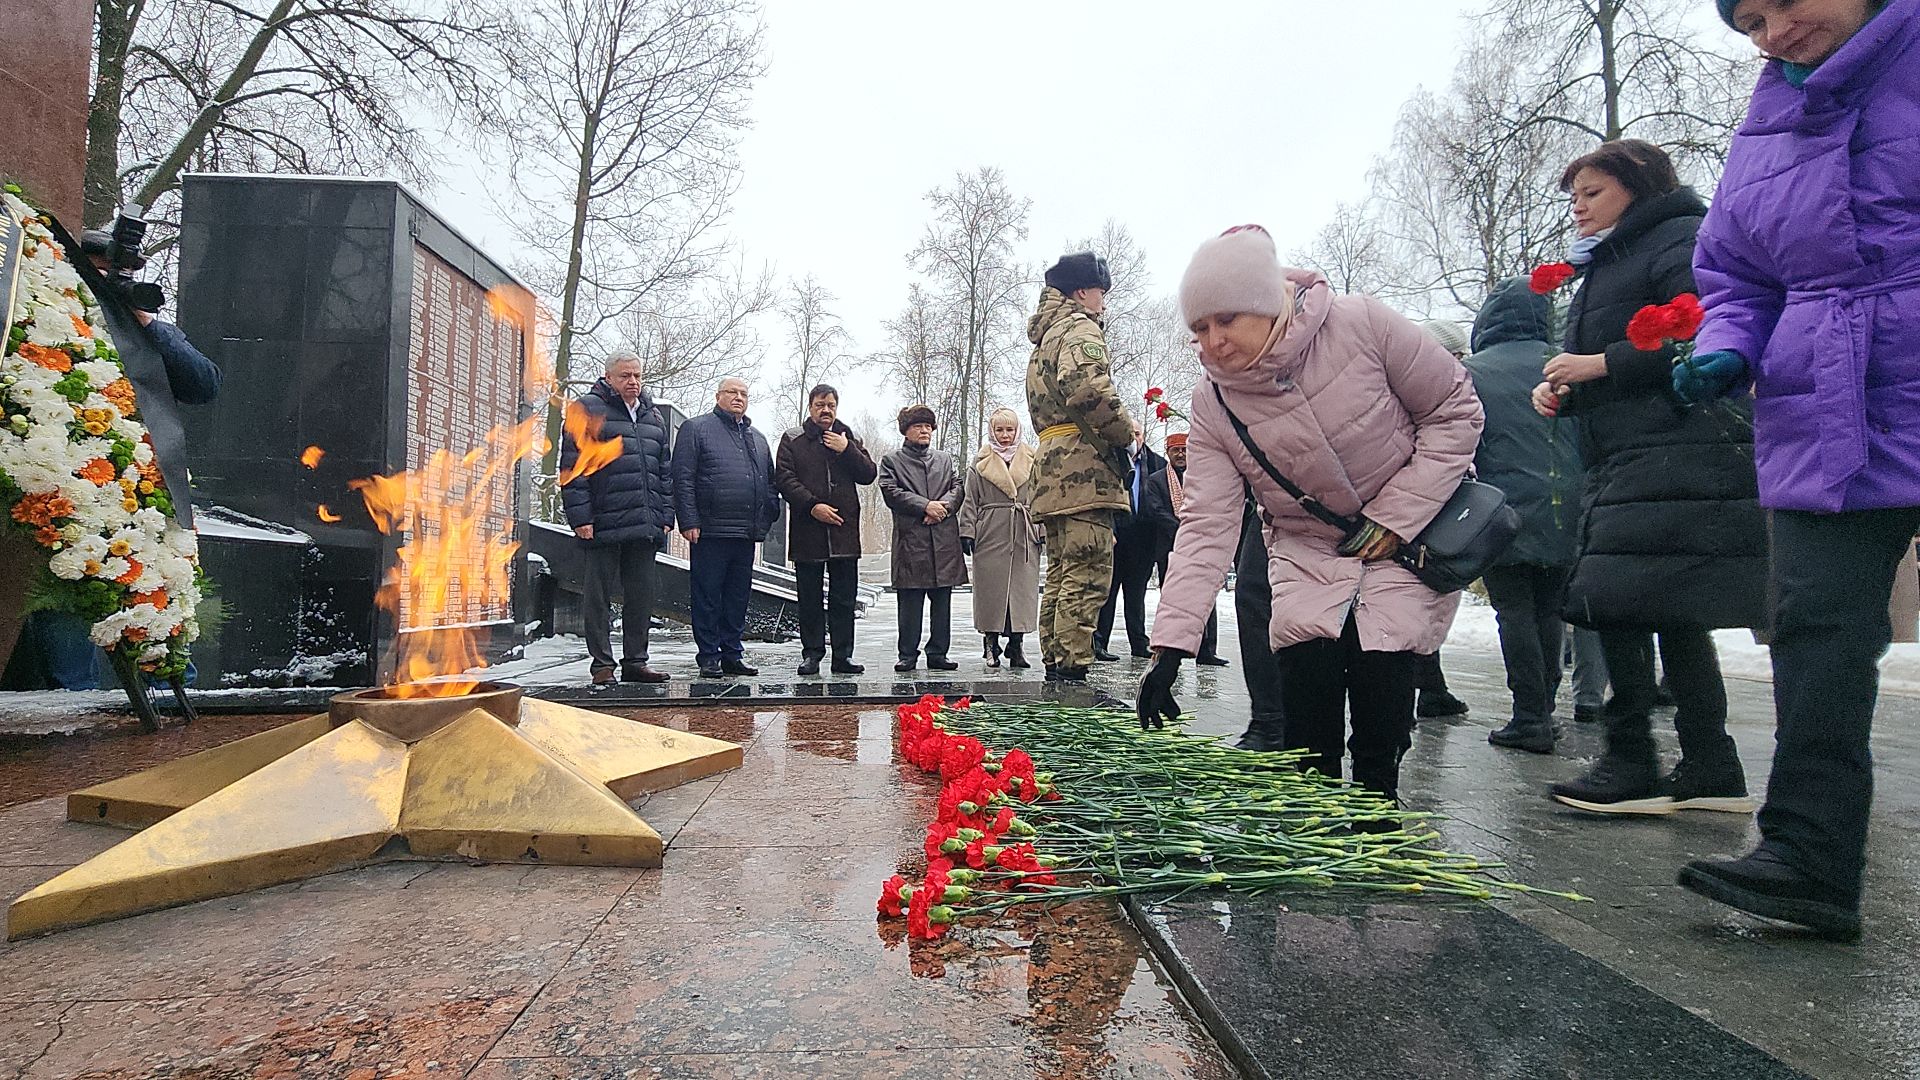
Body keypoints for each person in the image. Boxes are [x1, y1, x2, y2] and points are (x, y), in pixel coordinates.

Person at [1672, 0, 1914, 941]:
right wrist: (1729, 343)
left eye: (1780, 4)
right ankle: (1807, 856)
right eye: (1749, 22)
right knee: (1815, 625)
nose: (1770, 34)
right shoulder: (1769, 119)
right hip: (1821, 399)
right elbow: (1735, 269)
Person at [1138, 224, 1483, 803]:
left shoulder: (1363, 325)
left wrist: (1396, 517)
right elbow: (1207, 524)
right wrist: (1172, 646)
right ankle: (1318, 823)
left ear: (1268, 302)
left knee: (1382, 675)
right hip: (1305, 545)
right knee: (1307, 694)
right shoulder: (1214, 401)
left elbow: (1455, 413)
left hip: (1404, 534)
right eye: (1199, 328)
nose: (1213, 340)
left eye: (1226, 320)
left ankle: (1378, 811)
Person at [1531, 140, 1769, 818]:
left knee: (1623, 602)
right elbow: (1615, 362)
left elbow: (1702, 332)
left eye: (1593, 193)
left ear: (1638, 187)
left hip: (1672, 451)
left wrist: (1597, 365)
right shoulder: (1610, 261)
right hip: (1632, 453)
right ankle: (1709, 763)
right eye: (1573, 196)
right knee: (1669, 608)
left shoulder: (1675, 240)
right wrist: (1565, 393)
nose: (1578, 207)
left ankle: (1632, 758)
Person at [1465, 277, 1585, 753]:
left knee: (1513, 611)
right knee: (1550, 610)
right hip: (1566, 507)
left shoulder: (1474, 373)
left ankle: (1530, 716)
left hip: (1502, 509)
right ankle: (1545, 710)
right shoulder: (1564, 365)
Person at [1026, 251, 1134, 683]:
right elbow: (1089, 389)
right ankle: (1072, 671)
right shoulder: (1079, 328)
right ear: (1082, 292)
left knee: (1062, 572)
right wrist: (1128, 433)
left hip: (1054, 470)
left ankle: (1057, 661)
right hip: (1083, 472)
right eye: (1101, 293)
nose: (1103, 302)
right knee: (1087, 572)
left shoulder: (1045, 338)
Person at [561, 352, 675, 687]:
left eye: (638, 376)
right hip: (603, 521)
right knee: (598, 597)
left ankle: (636, 662)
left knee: (641, 596)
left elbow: (663, 471)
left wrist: (665, 514)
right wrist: (581, 517)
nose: (633, 382)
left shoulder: (652, 416)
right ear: (608, 377)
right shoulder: (587, 410)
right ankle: (602, 665)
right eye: (625, 376)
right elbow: (572, 467)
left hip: (645, 523)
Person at [671, 377, 780, 679]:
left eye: (744, 393)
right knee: (708, 595)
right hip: (710, 530)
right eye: (732, 392)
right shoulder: (697, 429)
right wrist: (689, 520)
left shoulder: (757, 438)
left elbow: (770, 483)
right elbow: (683, 477)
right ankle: (708, 656)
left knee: (737, 597)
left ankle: (732, 653)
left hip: (746, 532)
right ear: (718, 396)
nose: (739, 397)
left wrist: (768, 514)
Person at [775, 384, 877, 676]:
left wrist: (847, 451)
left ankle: (843, 656)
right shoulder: (793, 439)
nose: (826, 410)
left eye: (831, 405)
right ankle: (812, 654)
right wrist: (812, 506)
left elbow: (868, 474)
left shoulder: (849, 437)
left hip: (844, 534)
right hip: (809, 532)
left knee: (844, 599)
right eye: (820, 404)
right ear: (810, 407)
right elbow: (784, 479)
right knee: (809, 599)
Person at [879, 405, 966, 672]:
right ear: (906, 430)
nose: (924, 430)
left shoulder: (944, 459)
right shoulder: (892, 461)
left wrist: (942, 508)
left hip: (943, 541)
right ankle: (907, 653)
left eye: (928, 426)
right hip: (911, 542)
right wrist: (924, 506)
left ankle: (939, 652)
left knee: (942, 602)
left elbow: (957, 486)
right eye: (919, 426)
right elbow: (890, 491)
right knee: (910, 603)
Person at [959, 407, 1042, 669]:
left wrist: (1042, 530)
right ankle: (990, 643)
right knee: (991, 593)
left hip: (1023, 531)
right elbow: (970, 499)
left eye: (1009, 430)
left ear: (1017, 430)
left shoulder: (1033, 459)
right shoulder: (980, 462)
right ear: (991, 431)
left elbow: (1040, 498)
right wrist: (967, 530)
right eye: (999, 430)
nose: (1005, 435)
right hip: (990, 531)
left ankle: (1016, 645)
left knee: (1022, 592)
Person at [1139, 433, 1228, 666]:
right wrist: (1184, 529)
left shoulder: (1203, 478)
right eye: (1175, 450)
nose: (1180, 454)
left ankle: (1207, 651)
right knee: (1172, 599)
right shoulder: (1157, 480)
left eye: (1184, 450)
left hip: (1201, 546)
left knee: (1207, 596)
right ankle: (1169, 652)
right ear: (1167, 453)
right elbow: (1155, 511)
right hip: (1170, 548)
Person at [1095, 421, 1167, 661]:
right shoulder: (1108, 461)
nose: (1132, 438)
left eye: (1136, 434)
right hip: (1115, 535)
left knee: (1136, 595)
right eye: (1129, 434)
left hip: (1144, 537)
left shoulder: (1158, 465)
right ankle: (1099, 642)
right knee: (1108, 593)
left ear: (1143, 436)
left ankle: (1139, 643)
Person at [1232, 498, 1287, 750]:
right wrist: (1172, 645)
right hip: (1273, 503)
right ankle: (1268, 720)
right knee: (1252, 591)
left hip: (1373, 505)